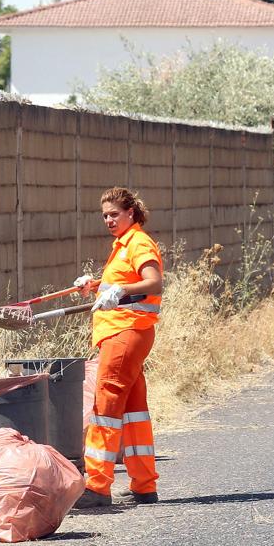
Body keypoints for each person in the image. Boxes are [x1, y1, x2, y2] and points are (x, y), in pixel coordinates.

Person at [71, 187, 164, 509]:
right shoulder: (122, 245)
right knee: (133, 408)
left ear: (131, 213)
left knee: (106, 405)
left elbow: (153, 282)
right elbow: (121, 285)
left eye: (114, 214)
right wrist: (96, 286)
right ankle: (144, 485)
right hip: (127, 332)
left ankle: (97, 486)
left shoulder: (138, 243)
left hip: (126, 332)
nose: (109, 220)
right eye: (105, 215)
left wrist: (120, 290)